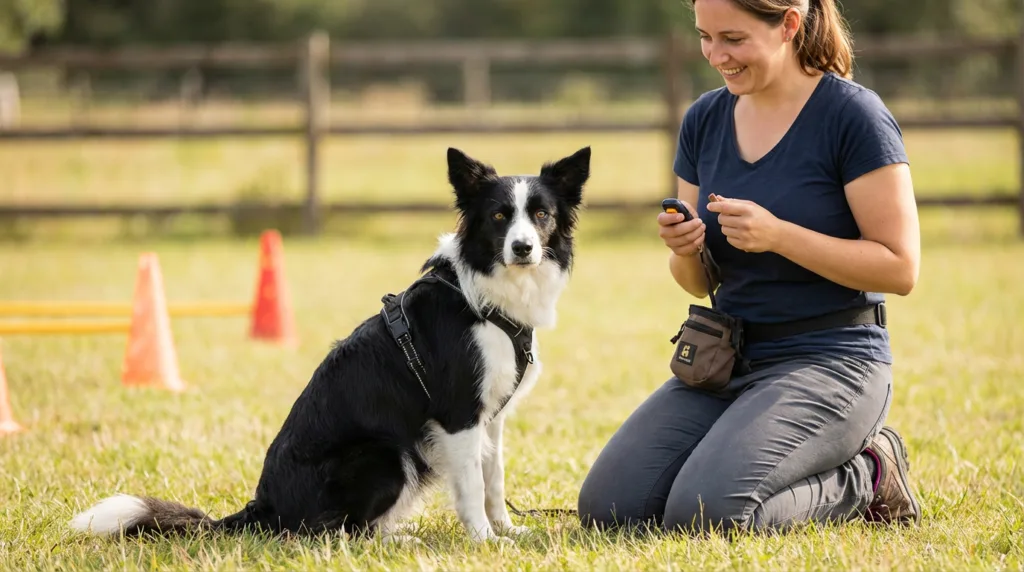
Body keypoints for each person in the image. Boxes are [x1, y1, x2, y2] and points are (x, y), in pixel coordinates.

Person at [577, 0, 923, 535]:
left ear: (788, 25)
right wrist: (685, 248)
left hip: (833, 360)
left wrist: (780, 236)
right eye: (705, 36)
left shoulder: (854, 115)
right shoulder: (704, 119)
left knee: (707, 515)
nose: (716, 55)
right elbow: (697, 283)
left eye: (733, 39)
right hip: (725, 359)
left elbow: (900, 268)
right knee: (609, 509)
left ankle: (870, 474)